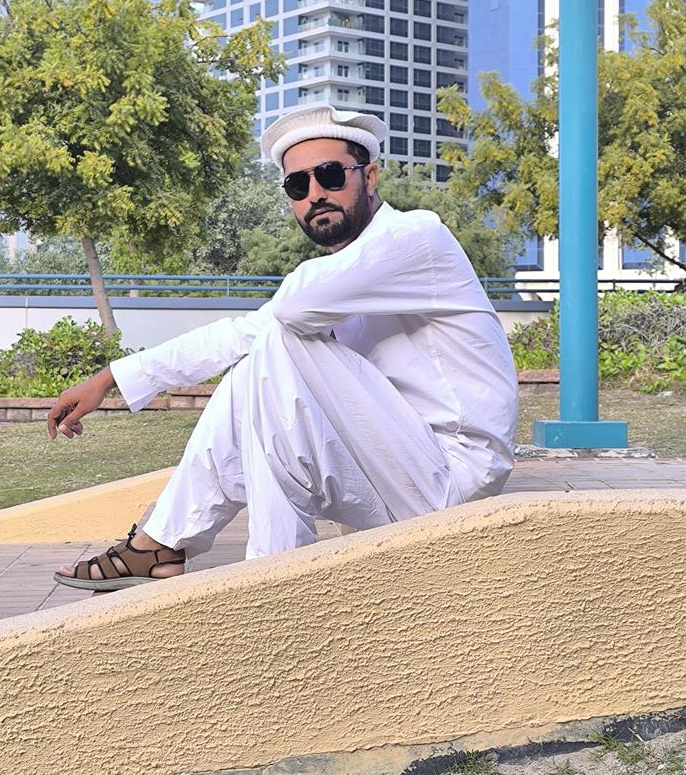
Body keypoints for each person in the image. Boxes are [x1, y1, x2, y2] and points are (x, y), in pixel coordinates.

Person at [49, 104, 518, 590]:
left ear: (370, 176)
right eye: (298, 185)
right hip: (392, 469)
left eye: (330, 175)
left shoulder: (416, 236)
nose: (315, 195)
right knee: (254, 369)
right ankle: (163, 547)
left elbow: (289, 312)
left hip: (453, 475)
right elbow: (237, 334)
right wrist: (109, 378)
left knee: (275, 345)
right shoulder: (341, 276)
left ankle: (271, 577)